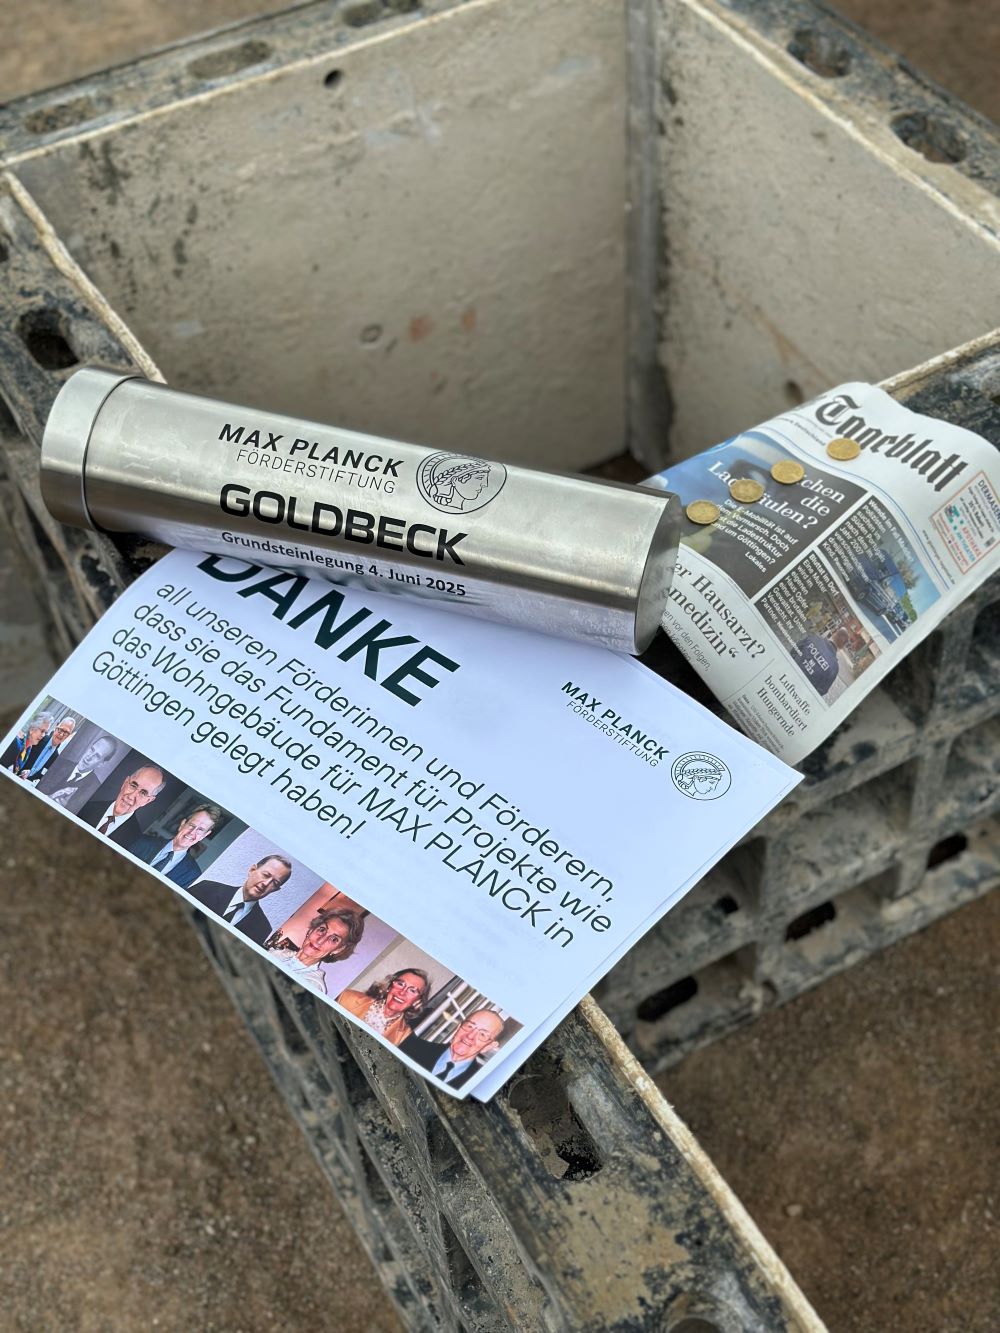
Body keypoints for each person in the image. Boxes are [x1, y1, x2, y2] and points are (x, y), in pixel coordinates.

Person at [188, 854, 292, 946]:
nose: (266, 883)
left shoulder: (263, 929)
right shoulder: (206, 888)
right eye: (266, 875)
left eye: (275, 883)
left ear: (275, 890)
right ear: (252, 870)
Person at [268, 907, 364, 996]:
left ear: (338, 949)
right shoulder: (275, 952)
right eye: (322, 929)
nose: (320, 941)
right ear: (311, 930)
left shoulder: (314, 987)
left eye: (334, 939)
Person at [401, 1009, 505, 1090]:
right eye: (469, 1026)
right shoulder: (411, 1048)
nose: (470, 1036)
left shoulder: (476, 1086)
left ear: (488, 1046)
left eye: (482, 1034)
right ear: (458, 1027)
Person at [126, 804, 223, 888]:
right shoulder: (141, 842)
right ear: (182, 824)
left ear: (204, 836)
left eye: (200, 830)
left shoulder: (192, 875)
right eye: (192, 825)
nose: (192, 832)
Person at [337, 968, 430, 1047]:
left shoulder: (404, 1036)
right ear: (389, 986)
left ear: (417, 1002)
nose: (402, 993)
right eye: (400, 984)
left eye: (412, 991)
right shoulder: (347, 997)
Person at [78, 764, 165, 845]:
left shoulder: (135, 840)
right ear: (125, 783)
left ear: (148, 801)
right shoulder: (85, 806)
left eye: (143, 793)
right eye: (133, 785)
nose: (131, 796)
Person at [37, 733, 117, 808]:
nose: (89, 757)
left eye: (97, 756)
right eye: (92, 750)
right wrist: (49, 798)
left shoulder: (94, 790)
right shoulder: (59, 763)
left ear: (101, 763)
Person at [22, 715, 76, 783]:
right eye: (61, 730)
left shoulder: (56, 758)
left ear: (68, 735)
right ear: (56, 727)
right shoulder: (38, 739)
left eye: (66, 733)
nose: (61, 735)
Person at [1, 711, 53, 777]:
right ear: (32, 729)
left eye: (45, 732)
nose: (43, 735)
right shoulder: (15, 743)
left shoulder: (28, 749)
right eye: (42, 731)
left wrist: (20, 776)